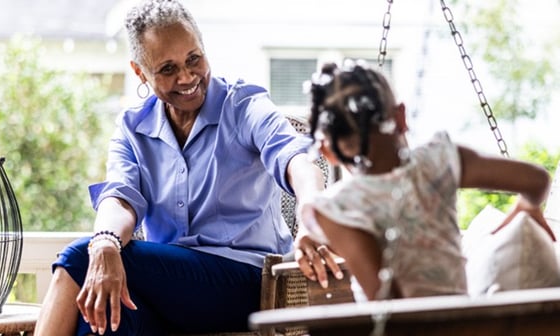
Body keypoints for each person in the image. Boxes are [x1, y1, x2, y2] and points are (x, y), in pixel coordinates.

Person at [33, 1, 341, 335]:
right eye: (167, 69)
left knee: (78, 257)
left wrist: (310, 212)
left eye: (194, 59)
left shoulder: (244, 106)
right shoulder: (133, 128)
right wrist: (107, 241)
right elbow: (120, 198)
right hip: (171, 292)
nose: (186, 76)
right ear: (140, 72)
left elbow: (298, 158)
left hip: (248, 283)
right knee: (104, 317)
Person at [298, 60, 555, 301]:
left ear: (327, 152)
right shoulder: (441, 161)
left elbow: (390, 309)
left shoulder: (338, 210)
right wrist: (528, 208)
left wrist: (315, 232)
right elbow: (537, 180)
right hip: (466, 326)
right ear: (400, 117)